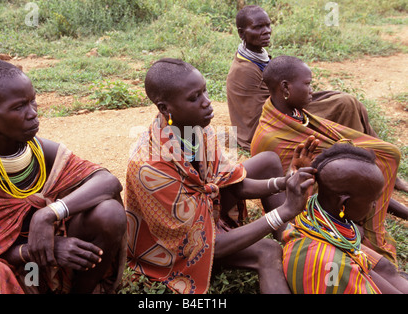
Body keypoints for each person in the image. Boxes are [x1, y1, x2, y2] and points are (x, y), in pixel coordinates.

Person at [125, 58, 317, 294]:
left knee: (267, 161)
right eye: (195, 98)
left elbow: (231, 184)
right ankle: (288, 233)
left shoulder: (197, 128)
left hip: (202, 213)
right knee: (267, 251)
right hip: (174, 251)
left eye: (204, 91)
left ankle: (291, 238)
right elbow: (199, 245)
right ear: (165, 108)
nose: (207, 103)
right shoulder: (150, 167)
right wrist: (284, 211)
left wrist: (284, 182)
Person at [0, 59, 127, 294]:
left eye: (32, 101)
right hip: (12, 268)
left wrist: (49, 214)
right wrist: (39, 249)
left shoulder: (39, 151)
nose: (33, 113)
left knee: (109, 213)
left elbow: (107, 181)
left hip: (59, 265)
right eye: (19, 107)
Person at [226, 4, 408, 192]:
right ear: (241, 33)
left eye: (268, 25)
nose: (266, 31)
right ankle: (367, 165)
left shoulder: (256, 56)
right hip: (267, 124)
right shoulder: (244, 70)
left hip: (281, 105)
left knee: (350, 102)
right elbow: (259, 115)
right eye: (257, 27)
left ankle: (375, 160)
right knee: (345, 104)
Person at [250, 55, 406, 266]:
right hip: (301, 211)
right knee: (365, 246)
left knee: (384, 154)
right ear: (286, 88)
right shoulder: (270, 138)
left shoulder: (297, 114)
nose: (312, 89)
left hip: (325, 197)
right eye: (307, 84)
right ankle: (369, 231)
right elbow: (283, 201)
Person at [282, 143, 408, 294]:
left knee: (385, 267)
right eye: (372, 200)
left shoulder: (312, 209)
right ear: (343, 203)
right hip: (332, 264)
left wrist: (292, 177)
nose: (375, 205)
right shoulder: (333, 266)